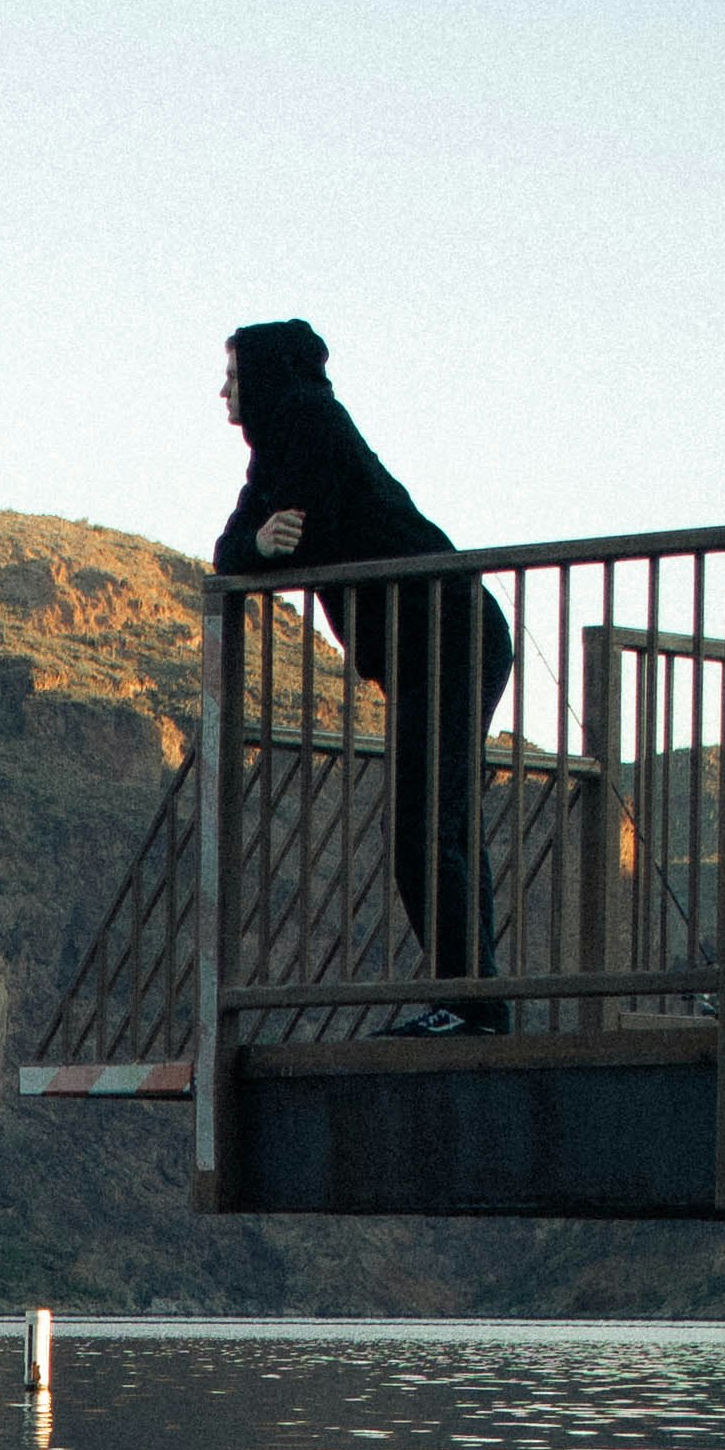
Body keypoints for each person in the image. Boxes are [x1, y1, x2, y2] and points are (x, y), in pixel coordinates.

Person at [212, 320, 512, 1028]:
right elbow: (234, 550)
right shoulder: (279, 447)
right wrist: (257, 540)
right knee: (439, 827)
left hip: (451, 637)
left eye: (233, 373)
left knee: (425, 832)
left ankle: (473, 1004)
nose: (224, 389)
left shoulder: (310, 421)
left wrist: (266, 546)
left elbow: (302, 538)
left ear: (263, 374)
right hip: (435, 646)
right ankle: (475, 1001)